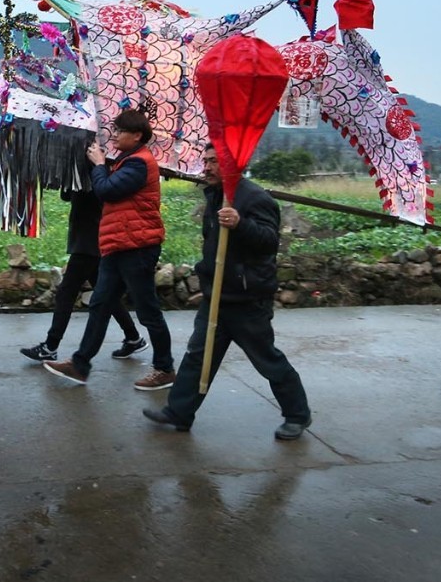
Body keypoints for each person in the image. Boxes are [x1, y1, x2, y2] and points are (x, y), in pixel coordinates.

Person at [142, 145, 312, 440]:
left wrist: (241, 224)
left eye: (213, 162)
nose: (206, 167)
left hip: (247, 299)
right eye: (205, 161)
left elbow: (270, 242)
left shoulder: (255, 197)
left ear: (233, 165)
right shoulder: (215, 196)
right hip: (217, 295)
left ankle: (298, 415)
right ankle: (178, 412)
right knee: (198, 355)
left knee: (266, 359)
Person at [43, 109, 175, 390]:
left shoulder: (138, 164)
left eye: (120, 131)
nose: (114, 136)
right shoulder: (127, 161)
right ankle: (80, 364)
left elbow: (107, 190)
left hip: (137, 246)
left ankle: (164, 368)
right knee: (100, 305)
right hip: (118, 245)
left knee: (147, 309)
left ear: (137, 135)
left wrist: (100, 164)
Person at [19, 187, 148, 363]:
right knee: (106, 296)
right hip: (88, 239)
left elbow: (94, 194)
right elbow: (66, 195)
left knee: (66, 292)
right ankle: (133, 337)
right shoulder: (83, 170)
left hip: (89, 242)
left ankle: (51, 346)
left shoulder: (96, 168)